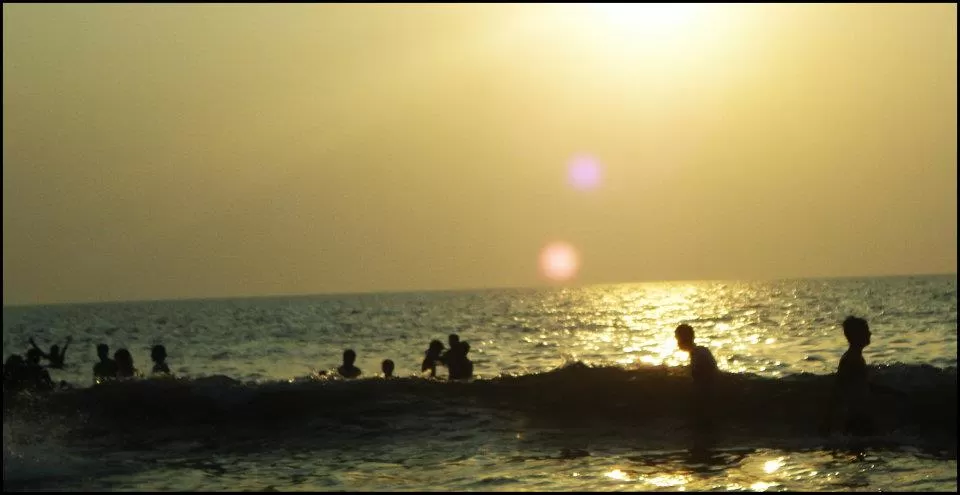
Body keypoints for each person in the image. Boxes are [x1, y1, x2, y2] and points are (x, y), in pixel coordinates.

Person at [819, 316, 901, 437]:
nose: (870, 333)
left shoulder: (854, 357)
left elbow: (860, 385)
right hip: (857, 415)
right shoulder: (852, 359)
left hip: (858, 414)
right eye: (866, 330)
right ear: (857, 335)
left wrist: (890, 392)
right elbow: (840, 389)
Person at [674, 324, 719, 430]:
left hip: (707, 396)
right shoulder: (700, 351)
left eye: (678, 339)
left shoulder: (699, 353)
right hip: (710, 394)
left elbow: (699, 375)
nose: (677, 343)